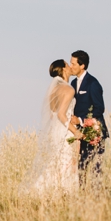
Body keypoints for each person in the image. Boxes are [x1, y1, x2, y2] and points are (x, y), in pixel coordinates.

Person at [19, 59, 82, 195]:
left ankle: (45, 191)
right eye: (67, 64)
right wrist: (75, 131)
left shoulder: (53, 90)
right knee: (66, 163)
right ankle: (62, 192)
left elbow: (53, 114)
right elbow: (61, 114)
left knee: (56, 162)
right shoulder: (69, 89)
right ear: (64, 69)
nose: (70, 66)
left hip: (55, 132)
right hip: (65, 131)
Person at [68, 49, 108, 186]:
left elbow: (99, 108)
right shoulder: (73, 84)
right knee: (81, 167)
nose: (70, 66)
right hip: (81, 134)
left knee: (96, 168)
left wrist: (80, 120)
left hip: (95, 132)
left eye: (73, 63)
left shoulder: (93, 83)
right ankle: (83, 195)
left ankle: (97, 199)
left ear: (82, 65)